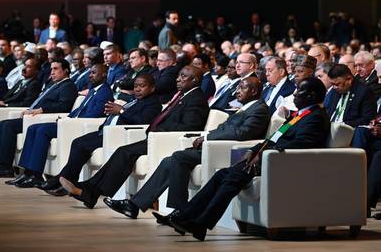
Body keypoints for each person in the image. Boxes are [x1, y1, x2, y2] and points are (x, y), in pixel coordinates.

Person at [167, 77, 330, 241]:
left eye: (299, 90)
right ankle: (186, 217)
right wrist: (254, 150)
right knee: (221, 175)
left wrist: (263, 154)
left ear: (311, 95)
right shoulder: (299, 115)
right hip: (270, 158)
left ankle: (200, 223)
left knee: (232, 178)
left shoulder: (315, 117)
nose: (294, 94)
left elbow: (301, 145)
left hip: (283, 163)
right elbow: (273, 138)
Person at [104, 76, 271, 220]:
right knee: (169, 161)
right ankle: (135, 205)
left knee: (178, 157)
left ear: (254, 91)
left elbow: (241, 133)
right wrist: (207, 136)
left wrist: (206, 137)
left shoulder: (259, 109)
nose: (237, 91)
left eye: (242, 87)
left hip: (230, 152)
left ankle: (180, 211)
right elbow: (224, 129)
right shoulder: (245, 108)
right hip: (214, 147)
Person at [58, 66, 210, 209]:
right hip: (156, 138)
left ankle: (90, 191)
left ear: (194, 80)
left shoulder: (196, 99)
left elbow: (190, 126)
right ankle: (90, 190)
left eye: (183, 76)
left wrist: (161, 131)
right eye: (178, 76)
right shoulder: (184, 96)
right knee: (122, 151)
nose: (177, 79)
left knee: (125, 152)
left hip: (167, 140)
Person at [30, 74, 162, 194]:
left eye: (142, 86)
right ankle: (67, 180)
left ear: (152, 88)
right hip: (106, 131)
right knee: (77, 142)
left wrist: (121, 111)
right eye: (136, 86)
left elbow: (142, 121)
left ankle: (61, 181)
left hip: (117, 135)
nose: (138, 89)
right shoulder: (135, 100)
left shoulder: (153, 104)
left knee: (82, 145)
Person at [7, 63, 113, 186]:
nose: (90, 76)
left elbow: (94, 114)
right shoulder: (94, 89)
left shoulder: (105, 92)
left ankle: (36, 175)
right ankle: (27, 172)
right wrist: (66, 117)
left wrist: (69, 121)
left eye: (93, 73)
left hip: (77, 126)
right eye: (89, 73)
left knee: (42, 130)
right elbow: (79, 110)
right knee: (33, 128)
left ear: (104, 74)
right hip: (71, 122)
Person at [0, 58, 77, 177]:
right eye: (51, 69)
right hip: (33, 116)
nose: (52, 72)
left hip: (43, 118)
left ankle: (6, 168)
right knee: (2, 124)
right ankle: (1, 165)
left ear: (66, 71)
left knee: (8, 126)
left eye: (56, 69)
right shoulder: (53, 85)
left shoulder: (68, 86)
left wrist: (42, 109)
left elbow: (64, 105)